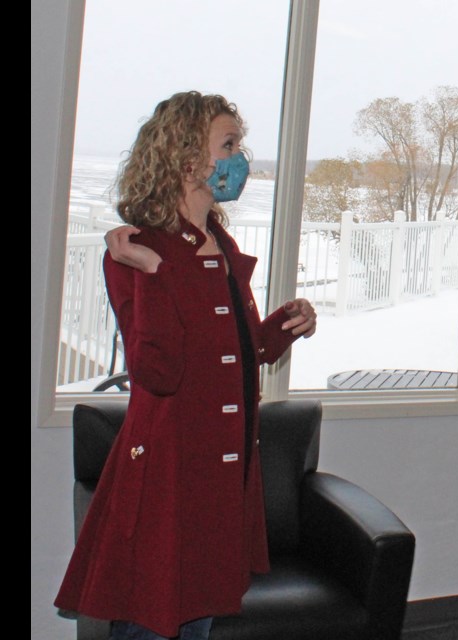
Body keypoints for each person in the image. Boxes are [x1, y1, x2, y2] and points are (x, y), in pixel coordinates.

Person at [54, 91, 318, 640]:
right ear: (186, 156)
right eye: (229, 144)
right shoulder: (137, 248)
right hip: (170, 470)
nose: (240, 158)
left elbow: (233, 355)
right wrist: (150, 270)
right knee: (155, 625)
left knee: (194, 623)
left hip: (219, 469)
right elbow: (159, 372)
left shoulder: (216, 241)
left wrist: (281, 327)